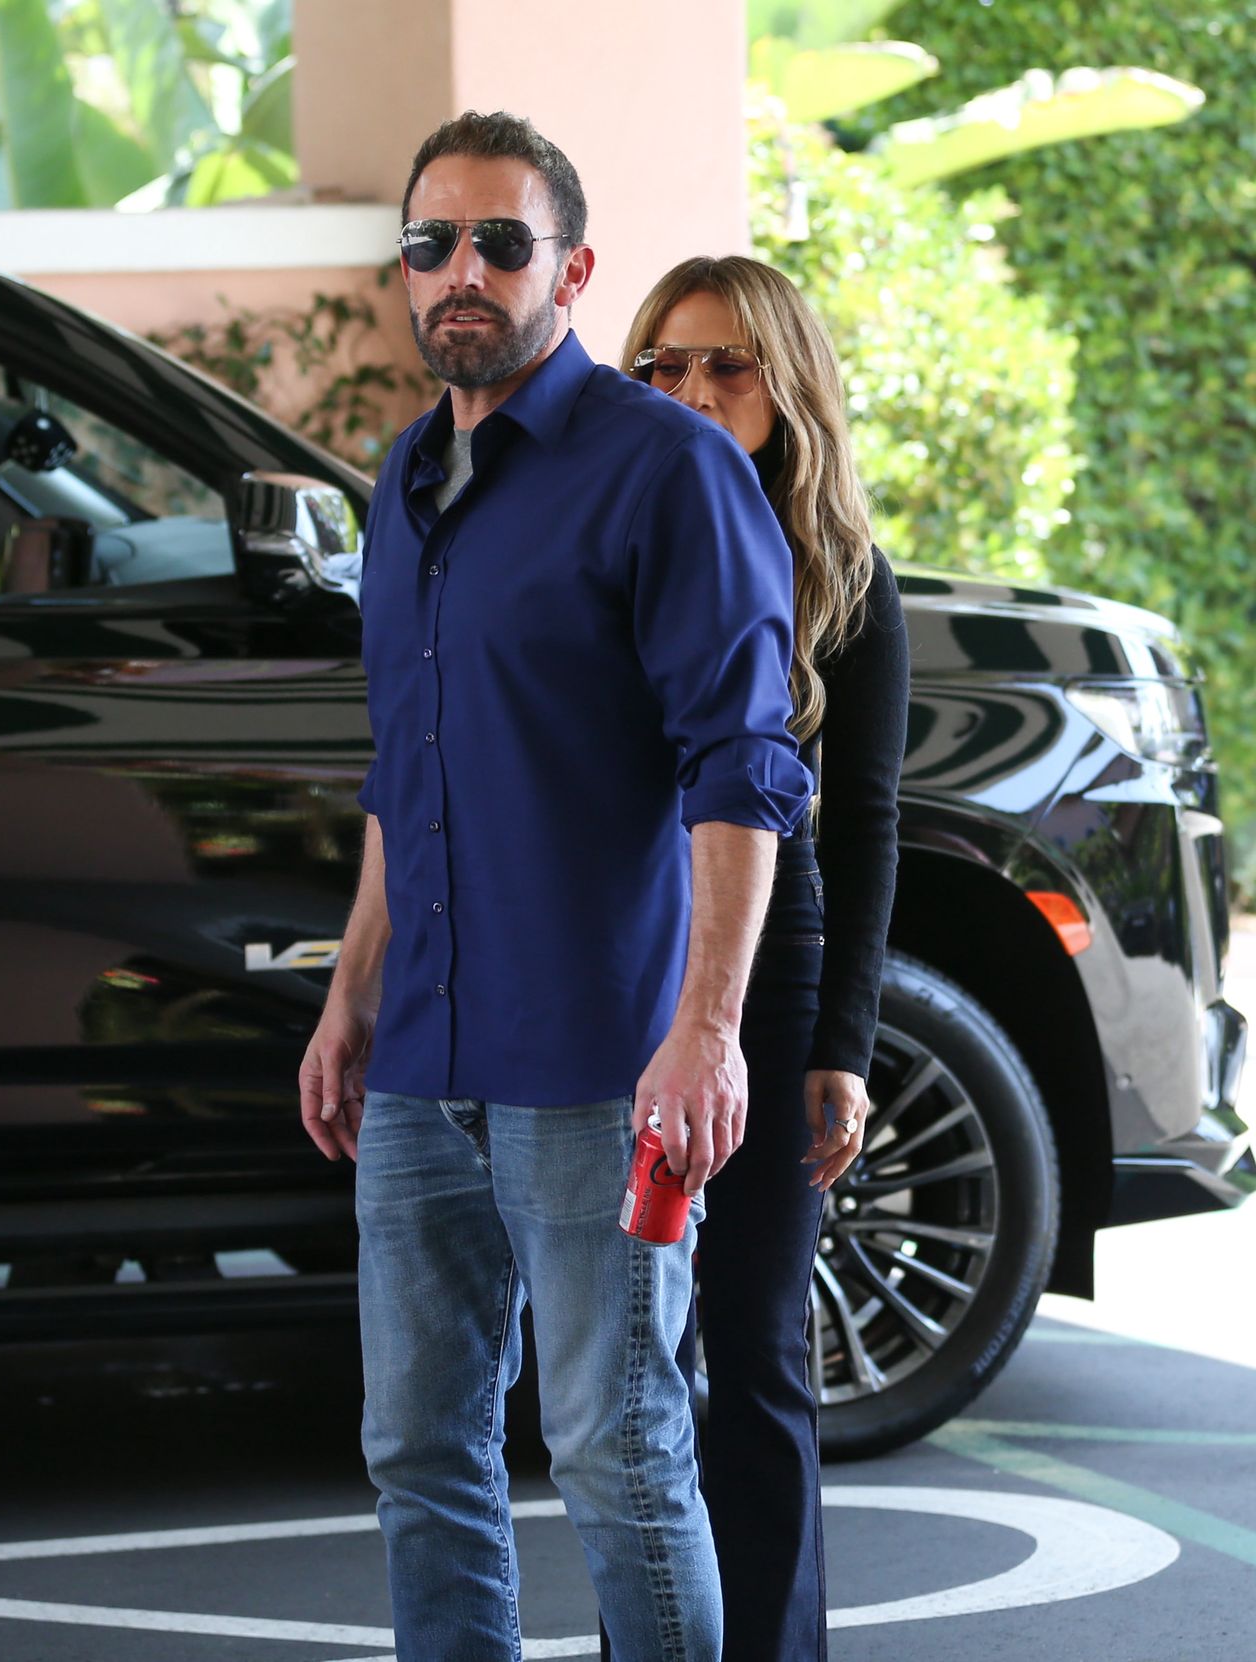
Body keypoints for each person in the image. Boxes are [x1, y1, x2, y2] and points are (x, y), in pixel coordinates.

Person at [298, 117, 813, 1662]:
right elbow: (413, 769)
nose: (462, 272)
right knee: (419, 1451)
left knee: (619, 1452)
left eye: (500, 243)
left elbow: (746, 766)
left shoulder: (669, 471)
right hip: (425, 1066)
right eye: (431, 243)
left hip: (600, 1069)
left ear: (572, 269)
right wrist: (351, 997)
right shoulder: (402, 480)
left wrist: (707, 1030)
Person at [618, 256, 910, 1660]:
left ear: (787, 393)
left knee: (753, 1358)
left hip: (773, 982)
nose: (691, 391)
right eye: (664, 366)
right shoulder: (604, 537)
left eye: (728, 366)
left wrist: (841, 1047)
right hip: (613, 972)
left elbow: (864, 825)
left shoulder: (845, 576)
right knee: (629, 1369)